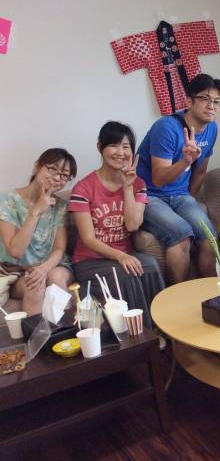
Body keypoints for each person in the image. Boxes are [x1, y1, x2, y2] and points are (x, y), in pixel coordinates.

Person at [69, 122, 165, 327]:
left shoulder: (138, 184)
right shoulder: (83, 189)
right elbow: (88, 239)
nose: (120, 152)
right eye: (113, 145)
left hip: (124, 255)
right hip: (90, 261)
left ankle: (163, 328)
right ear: (100, 147)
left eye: (126, 146)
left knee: (151, 266)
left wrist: (127, 187)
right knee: (126, 274)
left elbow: (133, 226)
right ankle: (143, 336)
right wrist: (120, 256)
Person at [136, 74, 220, 284]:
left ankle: (213, 294)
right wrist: (186, 161)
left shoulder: (212, 129)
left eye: (217, 102)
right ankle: (179, 297)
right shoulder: (166, 127)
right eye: (204, 99)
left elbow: (201, 172)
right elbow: (159, 179)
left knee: (210, 238)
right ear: (189, 101)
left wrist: (189, 198)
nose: (211, 106)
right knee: (182, 236)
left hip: (180, 195)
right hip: (149, 195)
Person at [0, 148, 77, 315]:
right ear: (37, 166)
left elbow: (59, 248)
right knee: (35, 285)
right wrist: (35, 211)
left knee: (56, 278)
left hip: (53, 264)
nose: (57, 178)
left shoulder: (60, 206)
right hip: (17, 271)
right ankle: (36, 332)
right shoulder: (7, 201)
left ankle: (66, 330)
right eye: (52, 169)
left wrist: (43, 269)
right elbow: (16, 251)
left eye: (64, 175)